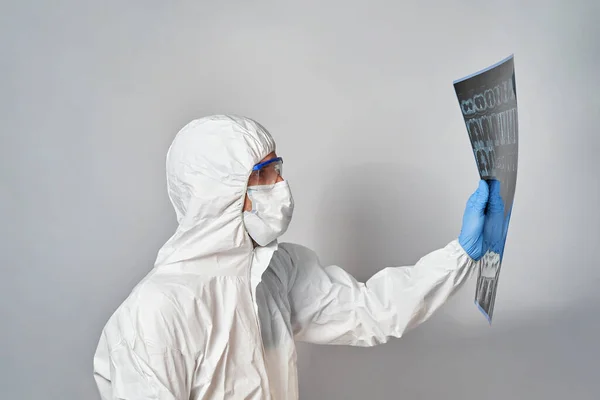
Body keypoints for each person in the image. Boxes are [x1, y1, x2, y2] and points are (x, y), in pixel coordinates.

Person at [93, 114, 493, 400]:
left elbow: (370, 311)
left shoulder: (273, 273)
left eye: (278, 167)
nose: (281, 183)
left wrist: (461, 253)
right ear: (219, 192)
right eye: (264, 172)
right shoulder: (158, 311)